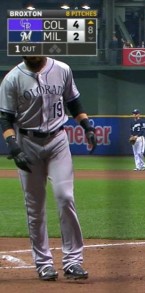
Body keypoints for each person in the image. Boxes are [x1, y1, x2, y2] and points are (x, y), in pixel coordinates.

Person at [0, 56, 96, 281]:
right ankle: (43, 264)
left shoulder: (62, 69)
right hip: (27, 142)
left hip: (57, 140)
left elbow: (73, 102)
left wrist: (87, 126)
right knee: (35, 207)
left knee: (65, 197)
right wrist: (13, 146)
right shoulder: (12, 78)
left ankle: (73, 261)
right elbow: (5, 118)